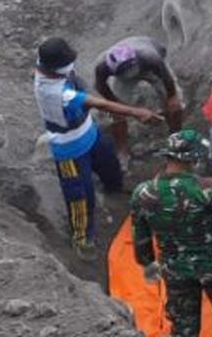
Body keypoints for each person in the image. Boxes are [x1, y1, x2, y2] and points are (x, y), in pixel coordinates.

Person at [32, 37, 162, 258]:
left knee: (109, 164)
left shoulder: (46, 66)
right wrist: (137, 112)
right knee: (81, 196)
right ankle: (82, 239)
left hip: (89, 133)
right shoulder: (56, 94)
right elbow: (98, 103)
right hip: (69, 150)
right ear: (53, 68)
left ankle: (114, 186)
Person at [130, 130, 212, 337]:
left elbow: (140, 237)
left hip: (175, 269)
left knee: (184, 326)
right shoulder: (207, 189)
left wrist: (147, 262)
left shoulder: (143, 193)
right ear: (193, 158)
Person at [94, 35, 185, 160]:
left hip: (149, 68)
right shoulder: (102, 66)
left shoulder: (150, 57)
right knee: (115, 113)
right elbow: (101, 87)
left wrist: (172, 98)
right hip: (122, 78)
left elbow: (166, 78)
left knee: (175, 105)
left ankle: (176, 138)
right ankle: (122, 151)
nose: (131, 73)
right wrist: (120, 107)